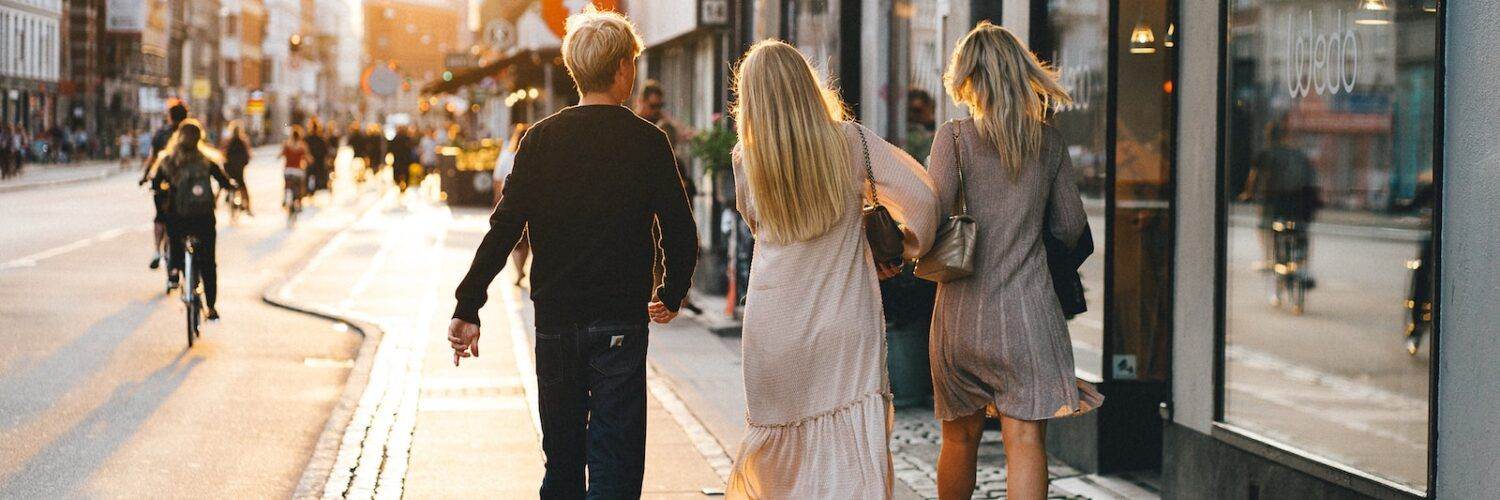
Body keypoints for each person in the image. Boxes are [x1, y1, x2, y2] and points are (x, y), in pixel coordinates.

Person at [447, 8, 698, 499]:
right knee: (616, 465)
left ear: (574, 69)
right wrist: (672, 290)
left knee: (562, 464)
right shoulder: (648, 142)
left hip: (557, 324)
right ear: (624, 69)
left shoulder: (540, 140)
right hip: (620, 324)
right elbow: (679, 228)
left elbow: (503, 229)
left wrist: (468, 304)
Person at [723, 40, 939, 499]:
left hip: (773, 324)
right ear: (807, 85)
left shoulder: (747, 158)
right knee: (850, 442)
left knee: (782, 452)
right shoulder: (848, 141)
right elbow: (923, 199)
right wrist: (900, 247)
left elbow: (755, 223)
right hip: (843, 319)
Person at [926, 23, 1103, 500]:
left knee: (958, 440)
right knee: (1024, 441)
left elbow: (929, 217)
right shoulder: (1047, 144)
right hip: (1029, 316)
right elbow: (1069, 226)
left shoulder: (954, 139)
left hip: (960, 319)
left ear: (967, 77)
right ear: (1019, 74)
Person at [152, 119, 233, 320]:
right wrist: (230, 186)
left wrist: (161, 191)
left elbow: (156, 183)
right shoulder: (207, 160)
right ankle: (212, 308)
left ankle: (174, 271)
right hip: (204, 218)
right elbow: (224, 181)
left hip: (179, 219)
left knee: (176, 243)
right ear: (200, 138)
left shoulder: (169, 160)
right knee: (208, 263)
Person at [140, 102, 190, 270]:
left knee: (160, 217)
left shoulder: (161, 134)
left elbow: (153, 159)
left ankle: (156, 251)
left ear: (170, 117)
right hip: (186, 186)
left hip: (163, 183)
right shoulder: (191, 133)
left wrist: (145, 176)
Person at [492, 123, 530, 286]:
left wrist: (496, 198)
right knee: (527, 240)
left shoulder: (507, 156)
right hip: (530, 201)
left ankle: (518, 269)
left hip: (510, 201)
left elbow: (498, 178)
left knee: (515, 241)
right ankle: (521, 268)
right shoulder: (533, 156)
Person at [220, 121, 254, 215]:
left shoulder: (228, 141)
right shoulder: (243, 141)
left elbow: (222, 153)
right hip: (239, 170)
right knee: (243, 188)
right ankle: (248, 208)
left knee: (221, 186)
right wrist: (244, 163)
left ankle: (215, 203)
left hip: (228, 169)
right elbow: (248, 155)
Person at [279, 125, 310, 211]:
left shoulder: (287, 144)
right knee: (300, 185)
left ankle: (285, 197)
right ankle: (299, 203)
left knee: (286, 183)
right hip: (298, 170)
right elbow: (308, 158)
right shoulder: (303, 145)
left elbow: (280, 155)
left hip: (288, 170)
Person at [305, 118, 331, 197]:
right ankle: (314, 189)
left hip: (312, 163)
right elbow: (326, 152)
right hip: (318, 163)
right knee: (318, 178)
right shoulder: (321, 139)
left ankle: (310, 191)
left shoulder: (307, 139)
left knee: (309, 176)